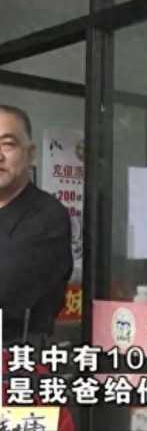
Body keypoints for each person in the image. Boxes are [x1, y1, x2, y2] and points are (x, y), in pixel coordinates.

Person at [0, 104, 73, 346]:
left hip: (17, 358)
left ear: (30, 153)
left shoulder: (47, 217)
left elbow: (7, 290)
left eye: (7, 144)